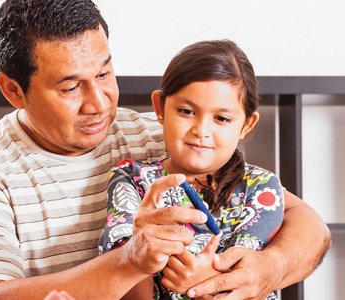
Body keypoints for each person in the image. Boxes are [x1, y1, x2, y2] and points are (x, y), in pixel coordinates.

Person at [0, 0, 331, 299]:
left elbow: (305, 223)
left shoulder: (161, 134)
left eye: (104, 73)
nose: (99, 103)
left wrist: (264, 270)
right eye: (70, 87)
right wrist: (130, 261)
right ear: (13, 90)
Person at [99, 40, 283, 300]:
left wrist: (198, 284)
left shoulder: (262, 187)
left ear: (246, 124)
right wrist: (141, 257)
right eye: (186, 111)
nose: (201, 130)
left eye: (222, 118)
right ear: (160, 108)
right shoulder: (131, 179)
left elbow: (246, 280)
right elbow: (125, 281)